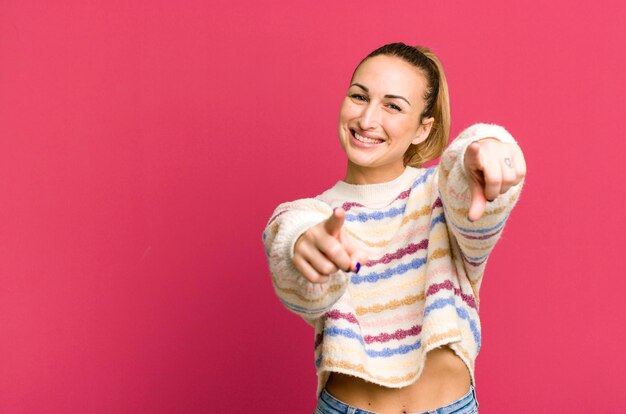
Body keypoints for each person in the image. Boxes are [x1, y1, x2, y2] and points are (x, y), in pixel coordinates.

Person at [262, 42, 526, 414]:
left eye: (393, 105)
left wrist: (490, 148)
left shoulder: (442, 193)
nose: (368, 119)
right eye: (359, 96)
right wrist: (302, 244)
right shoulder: (315, 214)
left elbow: (466, 171)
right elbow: (289, 239)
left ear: (423, 129)